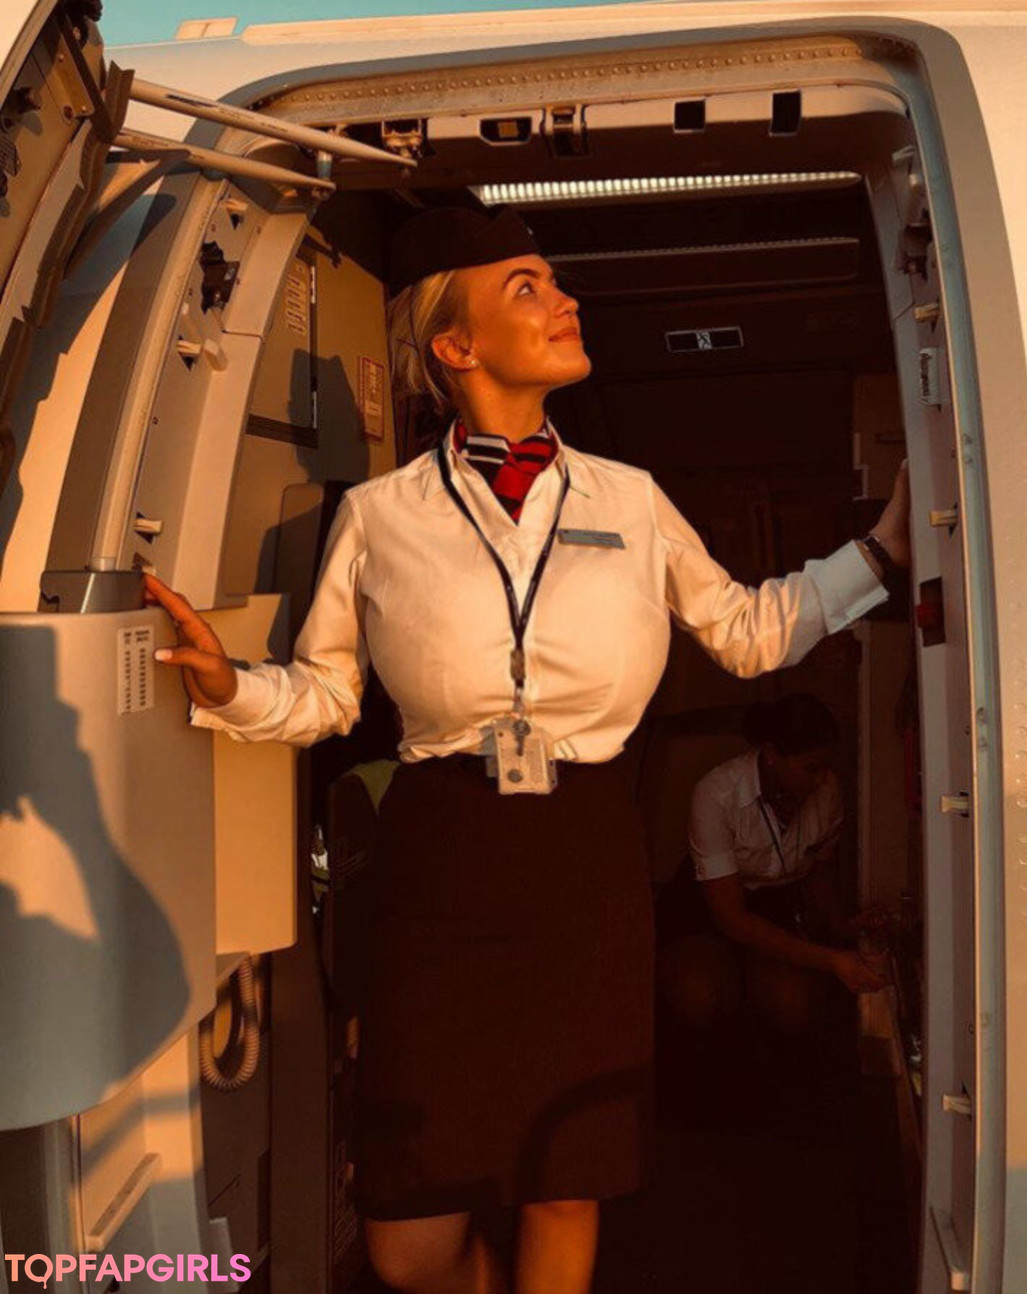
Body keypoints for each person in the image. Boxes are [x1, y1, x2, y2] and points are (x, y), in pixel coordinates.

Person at [143, 202, 910, 1294]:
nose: (565, 301)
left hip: (582, 858)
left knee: (565, 1174)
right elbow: (327, 694)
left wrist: (881, 551)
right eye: (528, 288)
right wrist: (232, 691)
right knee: (409, 1240)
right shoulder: (381, 515)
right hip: (441, 863)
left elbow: (748, 631)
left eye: (555, 284)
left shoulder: (630, 501)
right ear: (455, 346)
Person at [661, 694, 889, 1040]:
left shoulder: (827, 792)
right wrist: (832, 959)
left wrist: (843, 924)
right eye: (810, 768)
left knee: (796, 1005)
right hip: (707, 906)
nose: (820, 779)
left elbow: (821, 872)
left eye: (825, 767)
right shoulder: (716, 794)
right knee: (700, 996)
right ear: (770, 755)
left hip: (774, 903)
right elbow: (731, 918)